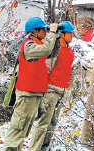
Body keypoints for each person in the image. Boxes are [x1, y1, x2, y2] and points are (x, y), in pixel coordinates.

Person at [2, 17, 61, 151]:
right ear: (34, 31)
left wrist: (56, 36)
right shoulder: (29, 46)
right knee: (18, 128)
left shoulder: (37, 44)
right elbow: (46, 50)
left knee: (23, 129)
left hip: (34, 93)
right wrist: (52, 33)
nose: (46, 32)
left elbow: (51, 52)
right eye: (43, 30)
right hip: (27, 93)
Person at [28, 21, 75, 151]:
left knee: (52, 122)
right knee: (43, 122)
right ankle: (34, 149)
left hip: (62, 90)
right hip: (51, 89)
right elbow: (46, 68)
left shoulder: (70, 49)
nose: (72, 35)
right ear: (62, 34)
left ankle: (44, 147)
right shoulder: (54, 48)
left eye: (72, 32)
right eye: (69, 33)